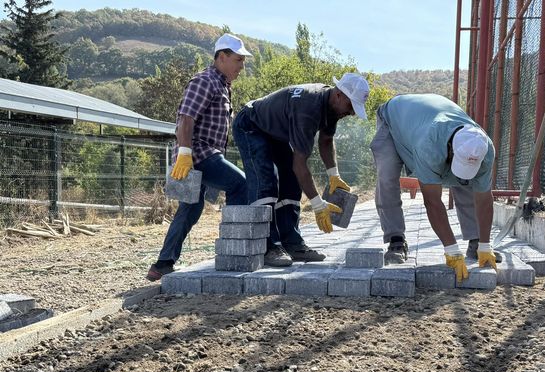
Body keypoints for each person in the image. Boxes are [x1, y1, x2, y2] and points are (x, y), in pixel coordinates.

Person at [232, 73, 370, 267]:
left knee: (291, 182)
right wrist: (317, 204)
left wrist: (334, 175)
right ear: (339, 94)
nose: (352, 112)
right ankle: (267, 246)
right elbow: (300, 165)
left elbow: (326, 140)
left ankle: (292, 244)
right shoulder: (308, 108)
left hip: (274, 131)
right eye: (351, 106)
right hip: (251, 124)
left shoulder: (332, 106)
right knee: (266, 182)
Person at [146, 33, 251, 281]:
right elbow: (186, 117)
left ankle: (162, 264)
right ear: (222, 57)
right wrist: (184, 154)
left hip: (198, 156)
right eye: (238, 60)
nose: (241, 66)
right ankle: (232, 248)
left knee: (190, 209)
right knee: (241, 183)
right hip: (198, 155)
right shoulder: (205, 81)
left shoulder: (222, 85)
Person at [369, 93, 500, 282]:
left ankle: (476, 242)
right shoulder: (429, 145)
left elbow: (484, 198)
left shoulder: (483, 148)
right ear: (450, 148)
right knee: (387, 174)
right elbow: (432, 202)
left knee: (463, 180)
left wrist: (486, 245)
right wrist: (451, 250)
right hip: (393, 120)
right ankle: (395, 240)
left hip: (424, 119)